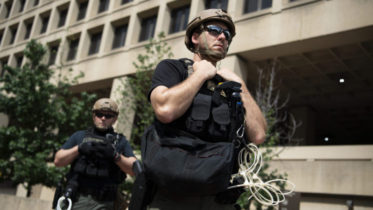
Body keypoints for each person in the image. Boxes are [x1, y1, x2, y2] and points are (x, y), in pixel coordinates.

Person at [145, 9, 267, 210]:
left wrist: (241, 86)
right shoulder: (173, 69)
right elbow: (165, 110)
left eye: (227, 35)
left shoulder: (230, 85)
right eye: (214, 30)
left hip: (217, 198)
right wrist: (199, 74)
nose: (222, 37)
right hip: (171, 198)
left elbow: (259, 135)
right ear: (194, 37)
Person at [54, 98, 137, 210]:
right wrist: (79, 149)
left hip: (104, 202)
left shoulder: (120, 141)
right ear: (94, 116)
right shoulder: (80, 136)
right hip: (77, 199)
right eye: (99, 114)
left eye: (108, 116)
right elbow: (58, 161)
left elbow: (133, 169)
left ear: (115, 118)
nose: (103, 118)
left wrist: (115, 156)